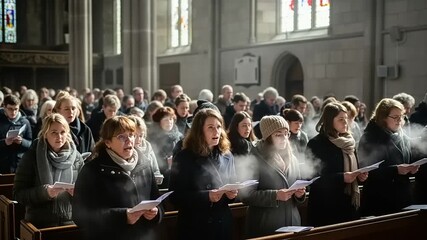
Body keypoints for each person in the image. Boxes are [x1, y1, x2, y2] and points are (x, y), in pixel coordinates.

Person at [73, 116, 163, 240]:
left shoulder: (145, 164)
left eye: (131, 135)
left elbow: (158, 201)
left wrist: (156, 213)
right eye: (121, 137)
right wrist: (123, 216)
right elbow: (80, 216)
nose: (129, 140)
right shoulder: (92, 170)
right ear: (108, 142)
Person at [169, 108, 237, 240]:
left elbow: (232, 186)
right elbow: (175, 197)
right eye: (210, 127)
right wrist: (207, 197)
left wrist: (231, 194)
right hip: (196, 226)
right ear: (199, 131)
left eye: (218, 127)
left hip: (221, 224)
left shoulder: (227, 156)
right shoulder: (184, 157)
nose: (216, 131)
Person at [13, 113, 84, 228]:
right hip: (40, 223)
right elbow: (18, 194)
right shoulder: (32, 156)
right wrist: (45, 192)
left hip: (70, 222)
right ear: (45, 134)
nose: (59, 137)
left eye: (62, 132)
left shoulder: (77, 158)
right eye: (54, 132)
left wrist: (78, 193)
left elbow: (88, 193)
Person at [240, 115, 305, 238]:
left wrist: (300, 194)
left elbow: (298, 187)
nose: (284, 138)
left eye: (286, 134)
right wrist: (275, 195)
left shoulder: (293, 159)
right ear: (267, 137)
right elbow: (245, 195)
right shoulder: (254, 158)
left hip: (292, 224)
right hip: (266, 226)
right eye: (278, 134)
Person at [306, 102, 368, 227]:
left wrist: (360, 177)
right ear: (329, 121)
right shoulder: (316, 144)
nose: (346, 122)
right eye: (341, 119)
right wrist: (342, 177)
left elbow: (354, 168)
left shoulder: (349, 142)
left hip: (349, 203)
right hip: (326, 206)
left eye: (346, 119)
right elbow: (312, 179)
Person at [358, 98, 418, 216]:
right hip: (379, 201)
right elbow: (366, 171)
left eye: (401, 116)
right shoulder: (370, 137)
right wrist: (396, 170)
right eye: (395, 117)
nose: (399, 121)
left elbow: (407, 160)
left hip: (402, 198)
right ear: (383, 118)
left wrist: (412, 170)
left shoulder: (402, 137)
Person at [146, 107, 182, 188]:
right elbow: (151, 158)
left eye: (171, 119)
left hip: (178, 176)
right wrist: (166, 161)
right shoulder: (152, 138)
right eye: (166, 120)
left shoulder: (179, 137)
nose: (169, 122)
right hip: (160, 178)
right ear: (159, 122)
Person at [0, 94, 33, 173]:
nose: (13, 112)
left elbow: (31, 143)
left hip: (19, 164)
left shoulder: (25, 122)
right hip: (2, 163)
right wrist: (4, 142)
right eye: (10, 109)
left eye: (16, 109)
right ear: (4, 107)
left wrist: (22, 141)